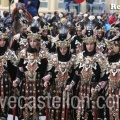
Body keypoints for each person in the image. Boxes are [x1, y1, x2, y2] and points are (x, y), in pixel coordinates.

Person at [66, 31, 109, 120]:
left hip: (94, 90)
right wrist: (70, 85)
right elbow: (76, 74)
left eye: (92, 44)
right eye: (87, 44)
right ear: (84, 44)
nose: (89, 46)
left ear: (95, 44)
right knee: (81, 112)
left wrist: (97, 88)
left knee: (94, 113)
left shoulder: (100, 57)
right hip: (81, 89)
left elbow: (104, 75)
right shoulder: (80, 56)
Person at [13, 29, 48, 120]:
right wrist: (17, 79)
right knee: (25, 107)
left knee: (37, 107)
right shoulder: (23, 53)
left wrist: (46, 78)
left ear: (38, 42)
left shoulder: (42, 54)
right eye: (31, 41)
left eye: (35, 41)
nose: (32, 43)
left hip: (38, 84)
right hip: (26, 84)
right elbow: (19, 69)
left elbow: (46, 69)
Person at [43, 26, 76, 120]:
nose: (63, 51)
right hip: (55, 89)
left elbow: (75, 74)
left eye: (65, 48)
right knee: (55, 110)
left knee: (67, 111)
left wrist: (71, 85)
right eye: (60, 49)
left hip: (68, 89)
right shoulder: (53, 58)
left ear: (68, 47)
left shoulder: (73, 59)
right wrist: (48, 77)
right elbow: (49, 71)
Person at [0, 29, 18, 120]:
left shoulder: (10, 53)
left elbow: (15, 69)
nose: (2, 42)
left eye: (4, 40)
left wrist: (16, 80)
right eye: (0, 40)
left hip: (5, 81)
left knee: (5, 99)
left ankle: (4, 114)